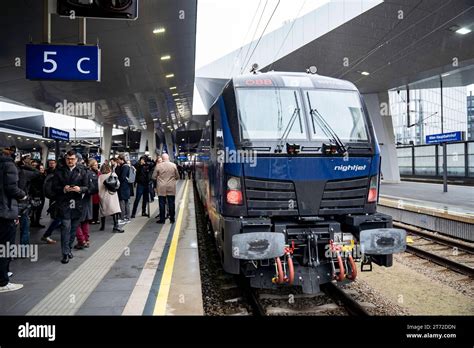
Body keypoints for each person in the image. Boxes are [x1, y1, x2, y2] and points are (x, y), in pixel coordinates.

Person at [52, 150, 89, 264]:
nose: (70, 161)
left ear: (76, 160)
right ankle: (65, 253)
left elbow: (88, 187)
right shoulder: (59, 171)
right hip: (64, 203)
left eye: (72, 159)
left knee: (73, 229)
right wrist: (63, 189)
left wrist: (80, 189)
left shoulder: (82, 171)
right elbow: (54, 187)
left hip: (77, 204)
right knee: (65, 228)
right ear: (65, 159)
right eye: (68, 159)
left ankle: (68, 249)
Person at [0, 146, 27, 292]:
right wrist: (23, 195)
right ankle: (3, 282)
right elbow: (12, 188)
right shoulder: (8, 165)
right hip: (5, 211)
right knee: (5, 247)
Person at [152, 154, 179, 224]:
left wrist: (159, 178)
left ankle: (162, 219)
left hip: (161, 187)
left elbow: (153, 177)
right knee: (171, 203)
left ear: (162, 158)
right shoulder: (173, 165)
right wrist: (172, 179)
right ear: (168, 158)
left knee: (162, 204)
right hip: (171, 187)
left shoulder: (158, 166)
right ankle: (172, 219)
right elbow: (177, 176)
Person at [98, 164, 123, 233]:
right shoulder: (113, 174)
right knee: (114, 210)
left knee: (103, 211)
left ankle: (102, 226)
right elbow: (117, 185)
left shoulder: (100, 177)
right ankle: (116, 226)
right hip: (112, 195)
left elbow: (98, 187)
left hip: (103, 195)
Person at [116, 154, 131, 223]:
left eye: (118, 159)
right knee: (126, 202)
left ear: (121, 159)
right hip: (126, 186)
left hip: (123, 187)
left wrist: (118, 168)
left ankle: (123, 218)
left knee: (122, 202)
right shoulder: (126, 166)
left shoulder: (124, 167)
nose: (117, 161)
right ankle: (127, 217)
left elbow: (122, 177)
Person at [89, 159, 101, 224]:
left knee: (97, 206)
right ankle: (92, 219)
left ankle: (96, 218)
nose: (96, 166)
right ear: (91, 165)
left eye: (97, 165)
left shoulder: (99, 172)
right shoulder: (89, 172)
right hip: (92, 192)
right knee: (92, 206)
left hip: (98, 191)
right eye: (94, 165)